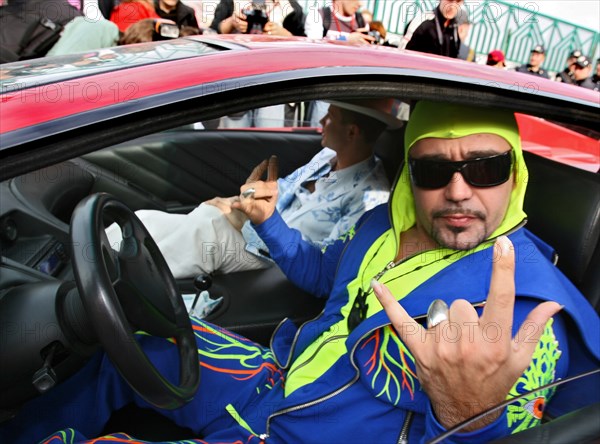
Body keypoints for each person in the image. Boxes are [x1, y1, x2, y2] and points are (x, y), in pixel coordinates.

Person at [3, 101, 598, 444]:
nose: (459, 190)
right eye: (433, 170)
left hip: (304, 435)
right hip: (276, 379)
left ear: (516, 175)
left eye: (486, 167)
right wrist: (270, 224)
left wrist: (471, 417)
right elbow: (325, 278)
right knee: (134, 341)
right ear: (410, 175)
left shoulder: (522, 312)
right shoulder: (382, 227)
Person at [106, 99, 395, 278]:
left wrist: (254, 224)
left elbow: (328, 262)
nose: (321, 121)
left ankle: (120, 274)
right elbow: (278, 191)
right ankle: (99, 253)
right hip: (253, 231)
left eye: (329, 115)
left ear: (351, 132)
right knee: (148, 219)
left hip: (276, 259)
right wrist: (236, 203)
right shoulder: (326, 158)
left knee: (205, 233)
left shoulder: (371, 197)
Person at [399, 0, 464, 58]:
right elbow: (401, 54)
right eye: (450, 0)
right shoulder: (421, 21)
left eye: (458, 1)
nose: (453, 6)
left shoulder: (455, 28)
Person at [304, 0, 373, 43]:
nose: (361, 4)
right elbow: (314, 47)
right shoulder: (318, 15)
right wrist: (345, 39)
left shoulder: (362, 22)